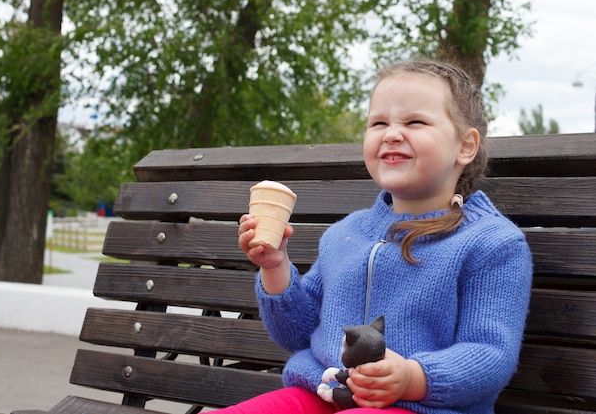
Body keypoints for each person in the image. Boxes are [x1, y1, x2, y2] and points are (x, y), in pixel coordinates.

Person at [226, 59, 532, 414]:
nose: (391, 133)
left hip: (419, 406)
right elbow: (297, 333)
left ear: (465, 146)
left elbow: (490, 354)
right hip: (320, 393)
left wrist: (411, 378)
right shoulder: (345, 234)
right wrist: (275, 267)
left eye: (415, 121)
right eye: (379, 122)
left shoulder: (492, 243)